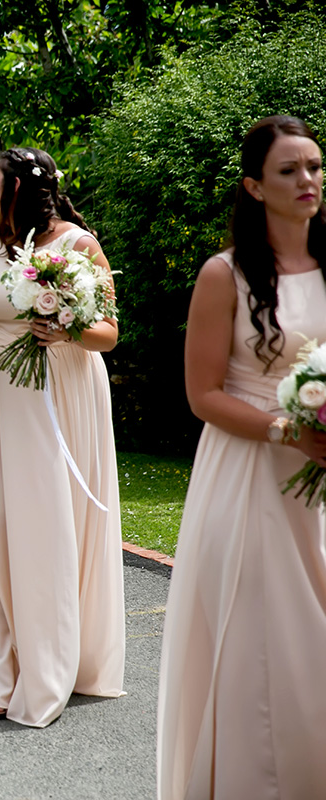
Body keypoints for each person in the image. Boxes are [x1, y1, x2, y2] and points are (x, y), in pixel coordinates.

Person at [156, 115, 326, 798]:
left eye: (314, 166)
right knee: (272, 643)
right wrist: (289, 429)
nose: (308, 180)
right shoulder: (223, 274)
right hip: (253, 473)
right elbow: (202, 393)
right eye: (289, 170)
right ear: (255, 187)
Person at [0, 147, 125, 726]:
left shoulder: (76, 244)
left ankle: (47, 665)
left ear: (18, 186)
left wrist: (67, 326)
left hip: (57, 398)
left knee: (43, 527)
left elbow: (110, 333)